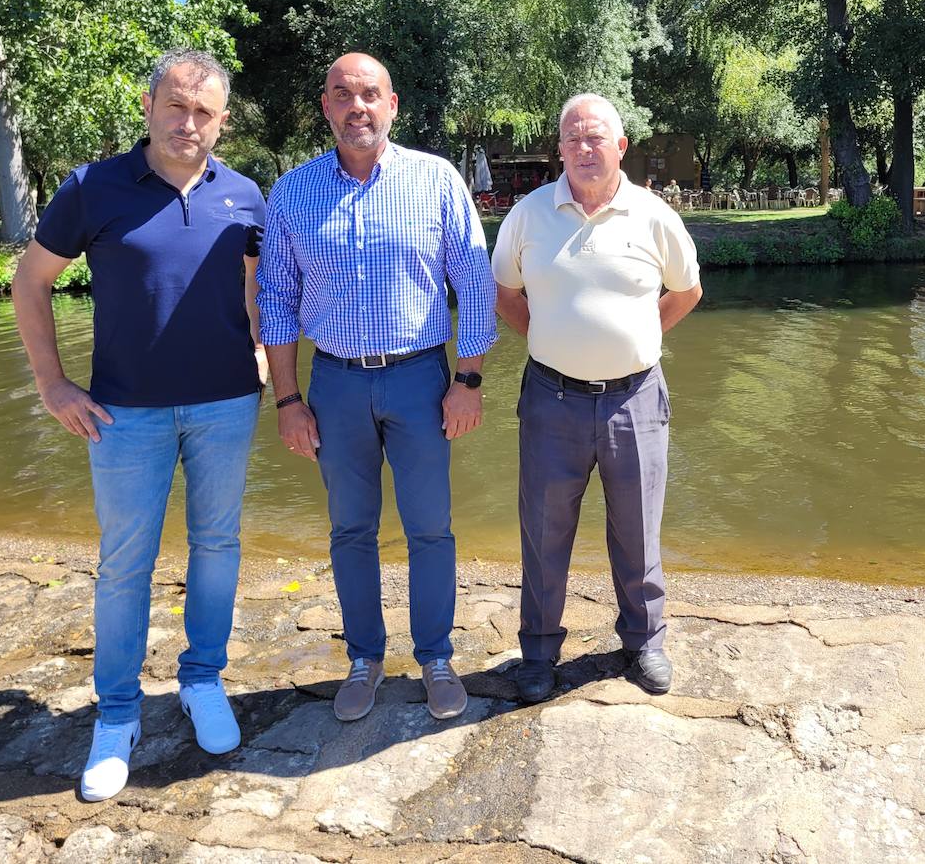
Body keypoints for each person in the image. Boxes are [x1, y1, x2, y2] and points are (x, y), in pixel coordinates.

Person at [10, 48, 267, 802]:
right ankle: (117, 712)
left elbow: (260, 288)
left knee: (218, 545)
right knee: (126, 563)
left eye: (205, 112)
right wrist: (52, 383)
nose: (189, 122)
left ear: (222, 122)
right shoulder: (94, 188)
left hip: (225, 406)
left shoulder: (246, 195)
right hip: (124, 414)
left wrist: (256, 349)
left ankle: (202, 680)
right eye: (177, 106)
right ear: (150, 107)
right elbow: (31, 282)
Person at [258, 52, 496, 724]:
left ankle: (436, 655)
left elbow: (474, 285)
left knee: (430, 527)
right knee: (350, 529)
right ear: (326, 107)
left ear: (393, 105)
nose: (356, 105)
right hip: (333, 383)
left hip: (422, 379)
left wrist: (469, 381)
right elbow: (276, 300)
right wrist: (287, 398)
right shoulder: (294, 193)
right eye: (342, 94)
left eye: (369, 94)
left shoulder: (436, 180)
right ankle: (364, 657)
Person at [492, 93, 702, 702]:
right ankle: (537, 652)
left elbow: (686, 292)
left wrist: (636, 340)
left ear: (621, 147)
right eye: (573, 138)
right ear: (559, 148)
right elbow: (507, 294)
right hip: (550, 400)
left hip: (635, 400)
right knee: (543, 530)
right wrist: (554, 343)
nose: (585, 148)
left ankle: (644, 642)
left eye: (596, 137)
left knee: (638, 530)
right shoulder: (528, 215)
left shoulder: (655, 215)